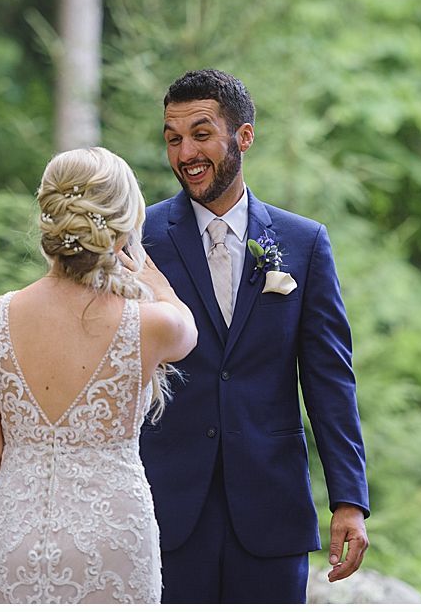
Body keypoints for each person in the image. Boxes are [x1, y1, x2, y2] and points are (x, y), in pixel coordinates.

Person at [139, 69, 370, 603]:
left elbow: (330, 379)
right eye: (173, 138)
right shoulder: (140, 238)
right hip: (164, 506)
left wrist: (349, 500)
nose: (185, 152)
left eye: (201, 134)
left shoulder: (303, 242)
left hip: (271, 508)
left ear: (244, 136)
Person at [0, 146, 197, 603]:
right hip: (114, 538)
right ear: (120, 229)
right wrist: (158, 284)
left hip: (17, 534)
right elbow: (190, 333)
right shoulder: (151, 323)